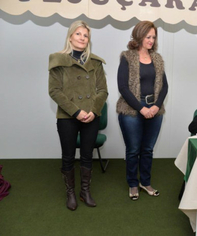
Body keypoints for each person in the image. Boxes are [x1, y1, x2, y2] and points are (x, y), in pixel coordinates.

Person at [48, 20, 108, 211]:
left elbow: (103, 91)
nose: (82, 38)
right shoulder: (58, 60)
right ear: (70, 36)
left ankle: (85, 191)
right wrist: (76, 111)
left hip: (91, 116)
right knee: (68, 156)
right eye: (78, 34)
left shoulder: (96, 62)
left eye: (86, 35)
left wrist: (92, 111)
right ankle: (71, 193)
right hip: (67, 117)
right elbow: (55, 91)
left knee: (87, 155)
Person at [117, 21, 168, 201]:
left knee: (147, 149)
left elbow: (164, 86)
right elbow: (123, 87)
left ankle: (145, 182)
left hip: (154, 109)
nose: (151, 40)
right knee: (133, 150)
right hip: (132, 110)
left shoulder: (158, 59)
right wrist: (141, 109)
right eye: (148, 37)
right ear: (138, 36)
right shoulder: (127, 57)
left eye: (153, 37)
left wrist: (155, 106)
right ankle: (132, 183)